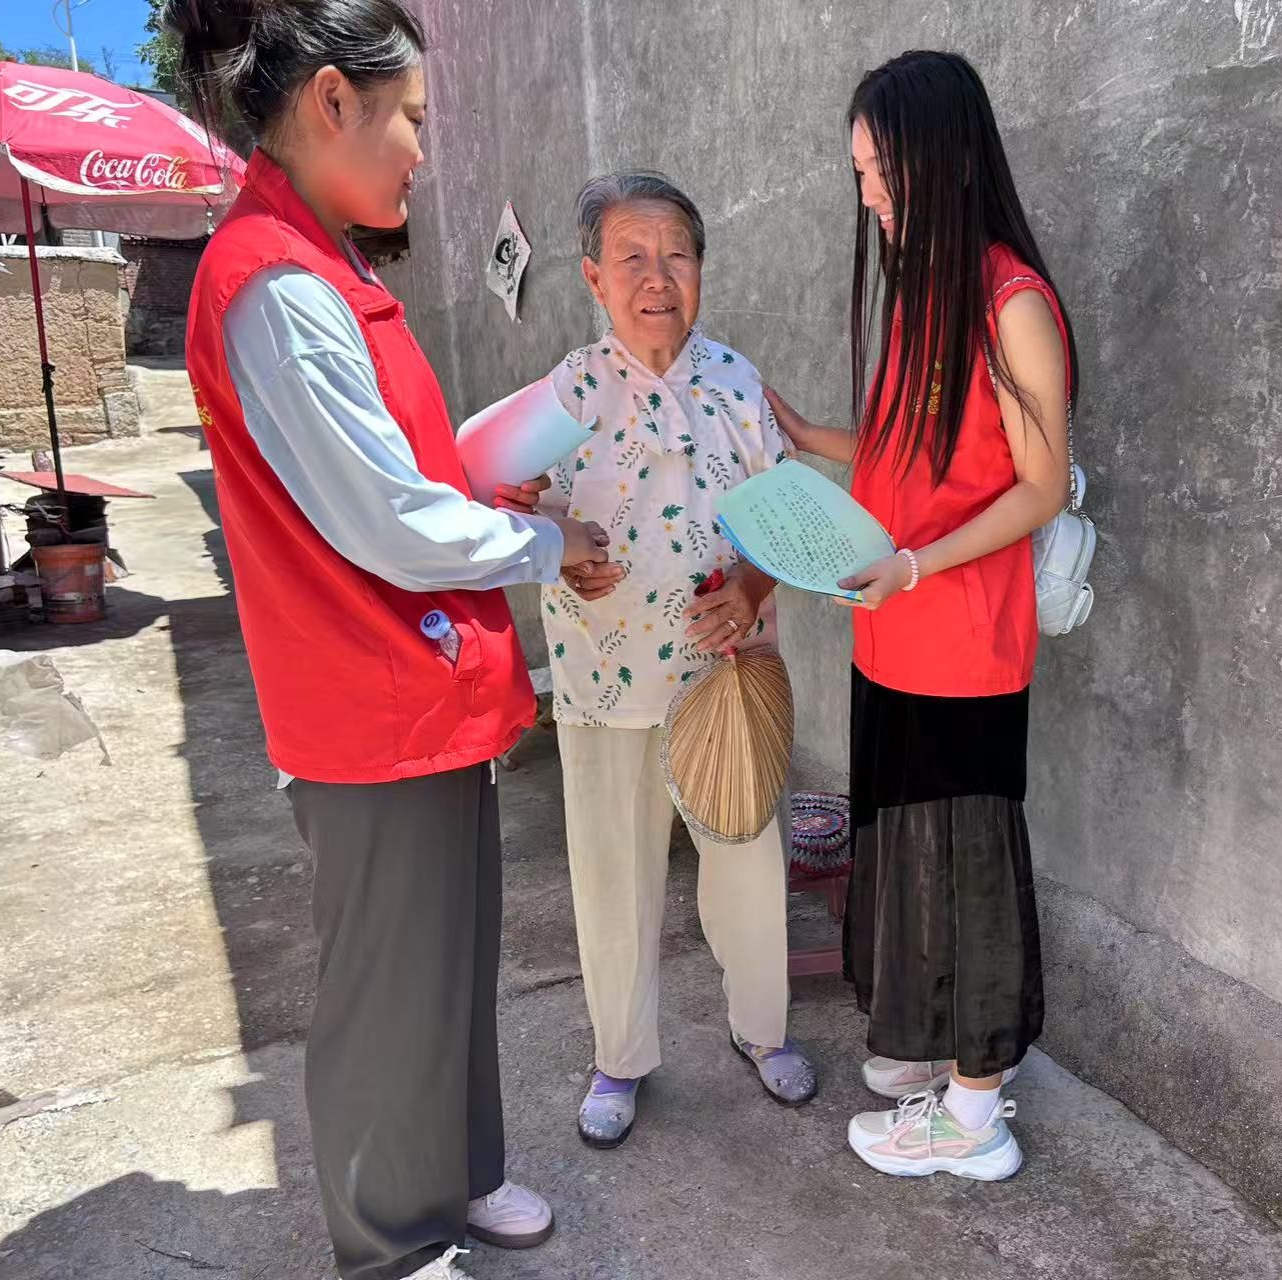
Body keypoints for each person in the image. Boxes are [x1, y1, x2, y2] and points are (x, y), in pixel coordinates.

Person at [166, 2, 610, 1274]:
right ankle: (391, 1238)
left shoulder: (325, 266)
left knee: (448, 962)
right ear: (331, 102)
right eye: (409, 115)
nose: (422, 147)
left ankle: (454, 1178)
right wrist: (540, 543)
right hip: (369, 701)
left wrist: (486, 493)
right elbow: (383, 518)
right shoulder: (271, 281)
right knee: (386, 989)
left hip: (422, 685)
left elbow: (401, 479)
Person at [767, 50, 1077, 1182]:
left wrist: (913, 564)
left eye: (881, 172)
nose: (869, 198)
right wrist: (807, 436)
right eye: (858, 173)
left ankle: (976, 1110)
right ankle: (929, 1045)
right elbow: (909, 452)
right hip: (890, 633)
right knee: (902, 848)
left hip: (964, 645)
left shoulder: (1010, 304)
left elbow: (1039, 486)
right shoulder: (922, 299)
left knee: (970, 865)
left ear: (941, 161)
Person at [497, 172, 818, 1150]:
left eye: (676, 254)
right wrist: (555, 539)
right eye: (631, 257)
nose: (656, 277)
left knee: (746, 862)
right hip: (601, 676)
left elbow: (788, 514)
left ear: (701, 270)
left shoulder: (736, 383)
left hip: (721, 674)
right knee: (612, 876)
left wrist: (751, 588)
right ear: (593, 277)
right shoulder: (564, 392)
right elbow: (501, 501)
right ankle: (620, 1056)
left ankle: (762, 1029)